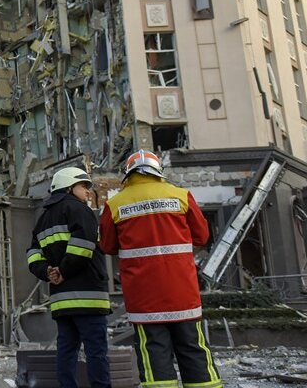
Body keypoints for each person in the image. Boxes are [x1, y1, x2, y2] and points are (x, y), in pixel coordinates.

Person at [99, 149, 222, 388]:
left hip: (144, 298)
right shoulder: (181, 196)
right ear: (158, 171)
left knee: (153, 352)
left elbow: (107, 245)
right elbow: (202, 235)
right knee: (193, 348)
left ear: (128, 173)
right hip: (182, 293)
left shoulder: (115, 204)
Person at [27, 166, 111, 388]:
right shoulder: (80, 210)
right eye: (84, 186)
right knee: (96, 352)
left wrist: (47, 271)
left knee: (66, 352)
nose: (87, 192)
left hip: (61, 301)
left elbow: (33, 254)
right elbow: (83, 247)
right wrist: (63, 271)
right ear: (69, 187)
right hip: (89, 298)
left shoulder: (42, 219)